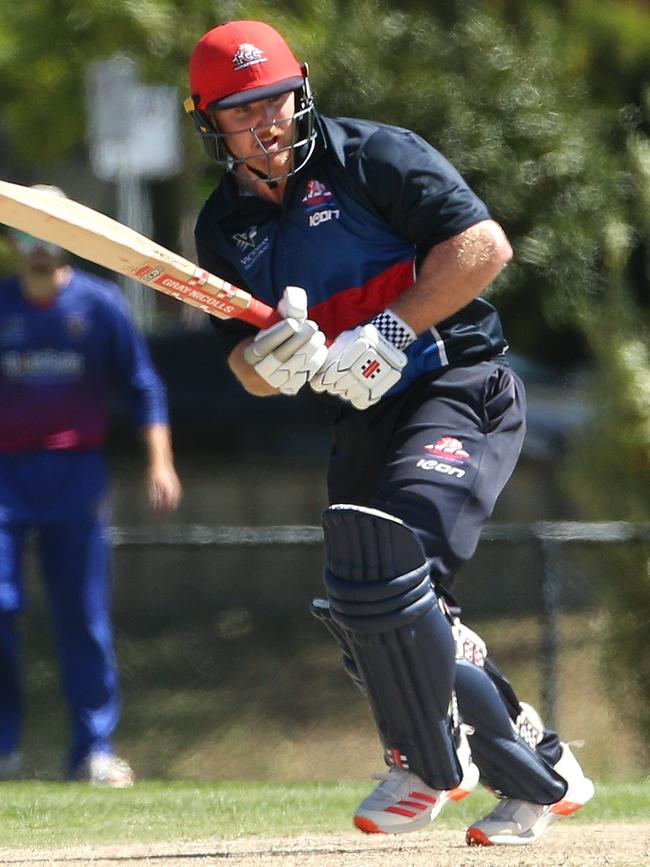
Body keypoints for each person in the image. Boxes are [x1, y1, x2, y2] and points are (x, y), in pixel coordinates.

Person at [184, 20, 594, 846]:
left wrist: (392, 332)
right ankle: (541, 771)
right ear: (209, 124)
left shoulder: (372, 156)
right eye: (240, 112)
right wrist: (280, 359)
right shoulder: (222, 228)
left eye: (275, 102)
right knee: (366, 605)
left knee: (390, 565)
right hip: (360, 419)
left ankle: (425, 763)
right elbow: (243, 369)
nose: (264, 124)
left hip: (457, 385)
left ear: (300, 94)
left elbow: (483, 246)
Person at [0, 187, 182, 786]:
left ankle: (94, 749)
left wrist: (160, 462)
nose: (37, 245)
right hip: (5, 477)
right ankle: (5, 747)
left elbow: (145, 385)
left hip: (75, 476)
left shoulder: (100, 306)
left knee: (82, 614)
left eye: (48, 230)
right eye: (26, 230)